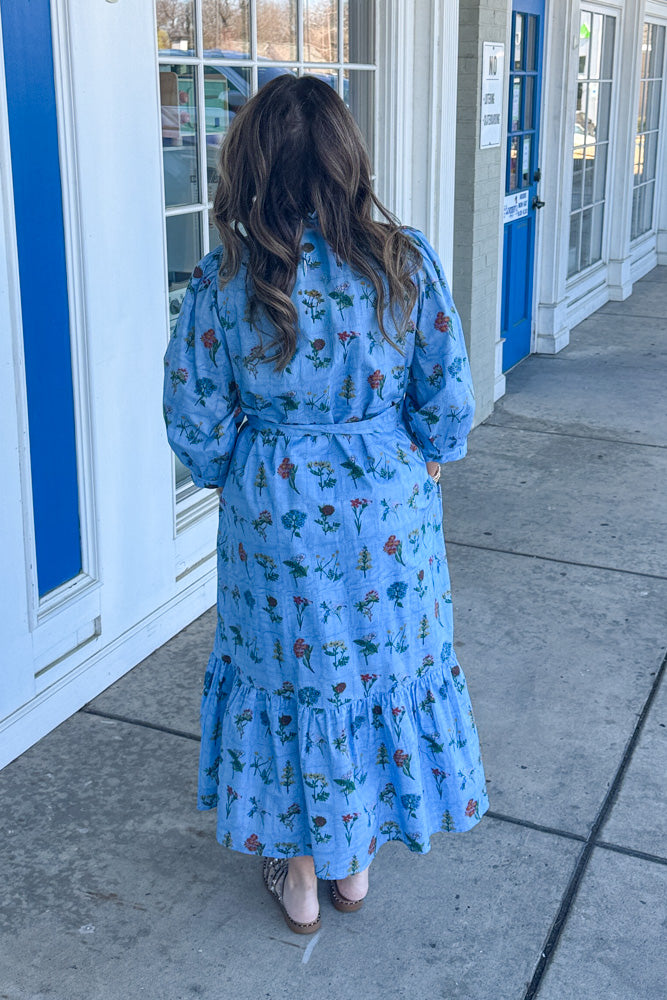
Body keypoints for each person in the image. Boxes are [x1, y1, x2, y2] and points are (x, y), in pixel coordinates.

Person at [162, 74, 489, 935]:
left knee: (291, 678)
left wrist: (242, 472)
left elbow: (194, 421)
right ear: (348, 159)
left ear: (251, 164)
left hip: (274, 513)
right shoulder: (402, 261)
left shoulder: (226, 277)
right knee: (376, 671)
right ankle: (355, 868)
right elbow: (448, 400)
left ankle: (301, 876)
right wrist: (425, 460)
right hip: (388, 511)